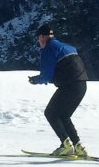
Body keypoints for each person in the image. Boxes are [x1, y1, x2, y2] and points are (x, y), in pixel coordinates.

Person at [28, 23, 89, 157]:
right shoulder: (69, 47)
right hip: (82, 85)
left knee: (50, 113)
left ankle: (66, 145)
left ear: (43, 37)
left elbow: (46, 75)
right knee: (63, 115)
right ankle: (78, 146)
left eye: (38, 39)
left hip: (69, 86)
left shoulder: (49, 49)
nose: (39, 42)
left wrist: (35, 80)